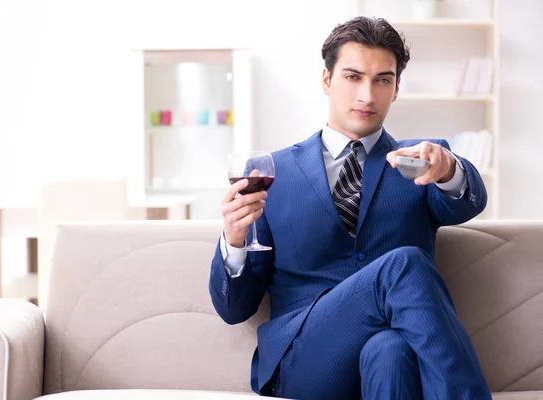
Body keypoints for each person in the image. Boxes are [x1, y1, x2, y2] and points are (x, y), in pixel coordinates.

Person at [208, 16, 491, 400]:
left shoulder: (422, 161)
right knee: (402, 263)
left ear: (396, 89)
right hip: (305, 358)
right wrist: (234, 239)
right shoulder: (274, 173)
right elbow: (233, 309)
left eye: (382, 80)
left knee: (389, 351)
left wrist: (450, 168)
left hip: (388, 352)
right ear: (327, 80)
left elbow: (469, 201)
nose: (367, 96)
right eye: (353, 77)